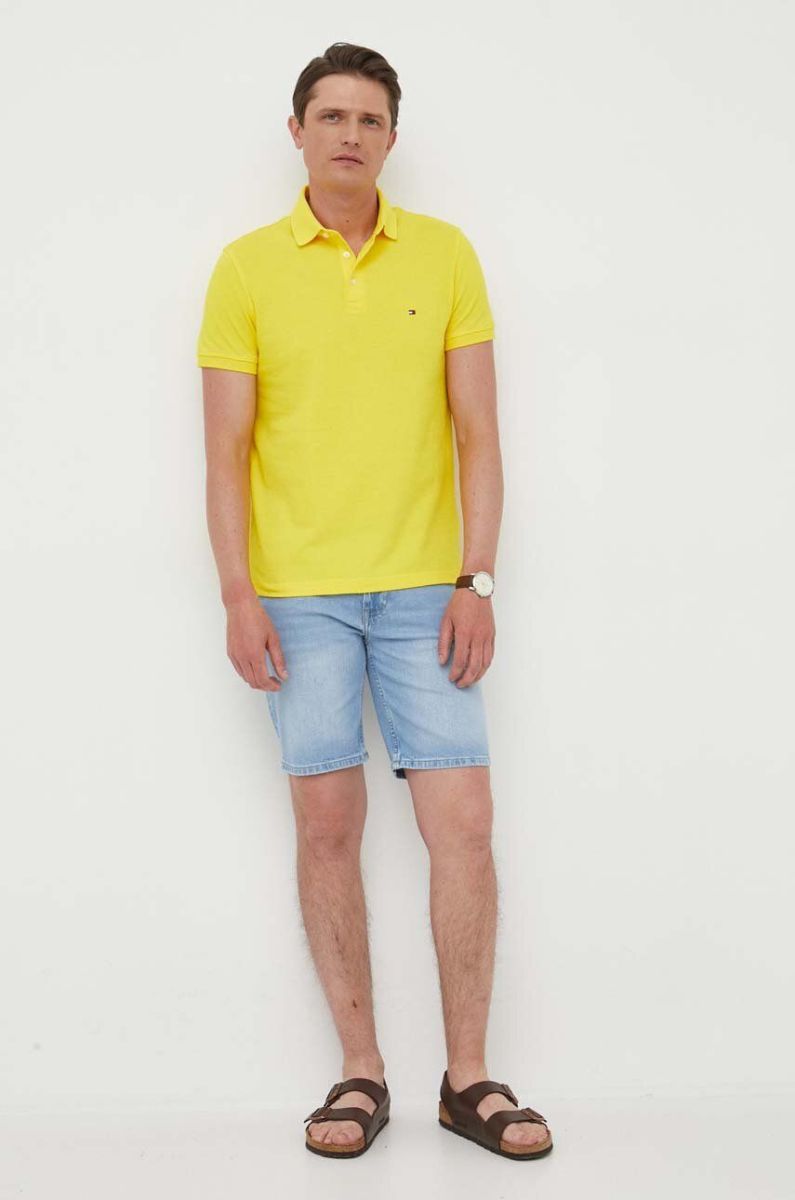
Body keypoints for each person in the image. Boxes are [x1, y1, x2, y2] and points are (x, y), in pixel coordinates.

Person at [196, 41, 553, 1162]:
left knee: (465, 826)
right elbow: (225, 453)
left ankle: (469, 1080)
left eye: (369, 119)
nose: (349, 134)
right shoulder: (245, 269)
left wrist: (476, 578)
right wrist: (238, 594)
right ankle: (360, 1073)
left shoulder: (444, 255)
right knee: (326, 827)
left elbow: (479, 433)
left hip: (424, 595)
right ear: (296, 132)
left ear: (392, 138)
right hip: (298, 598)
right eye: (330, 115)